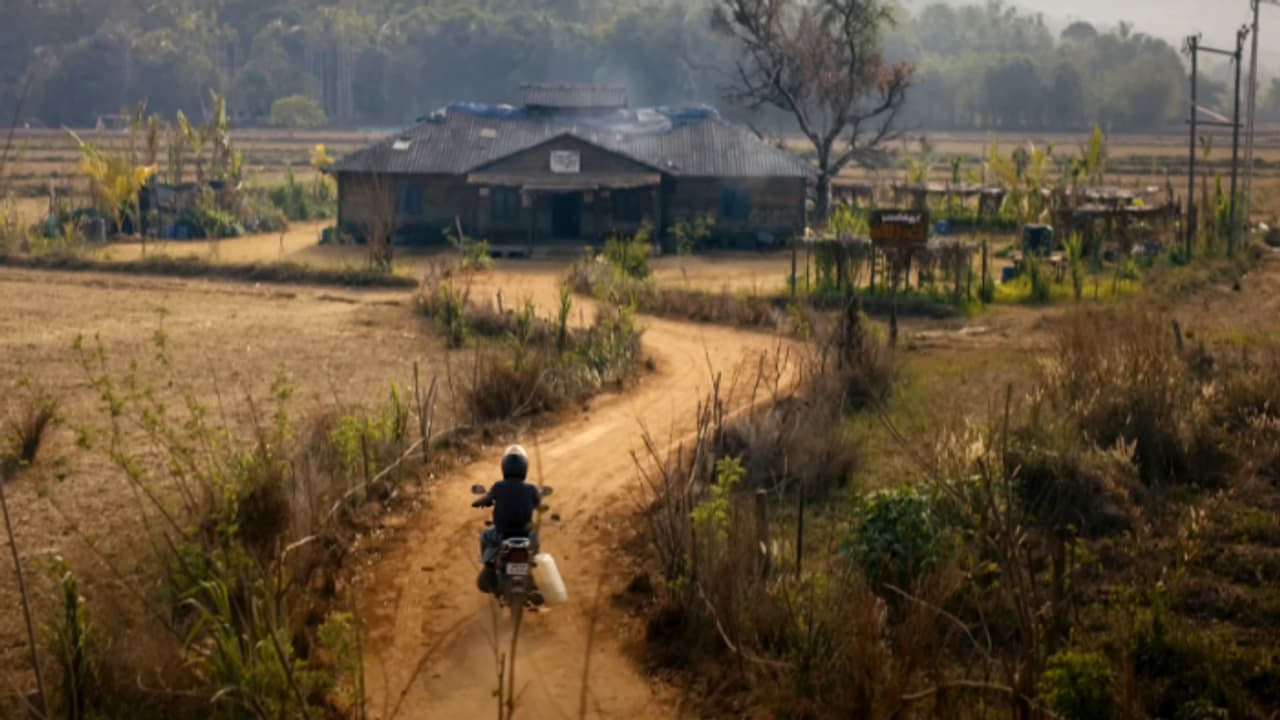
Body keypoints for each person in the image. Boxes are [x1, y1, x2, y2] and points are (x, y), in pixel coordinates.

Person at [473, 445, 542, 593]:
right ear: (524, 467)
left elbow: (487, 498)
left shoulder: (498, 487)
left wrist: (478, 502)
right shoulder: (531, 489)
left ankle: (489, 566)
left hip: (502, 534)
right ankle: (532, 570)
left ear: (505, 466)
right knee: (535, 542)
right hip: (525, 535)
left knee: (484, 536)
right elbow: (538, 503)